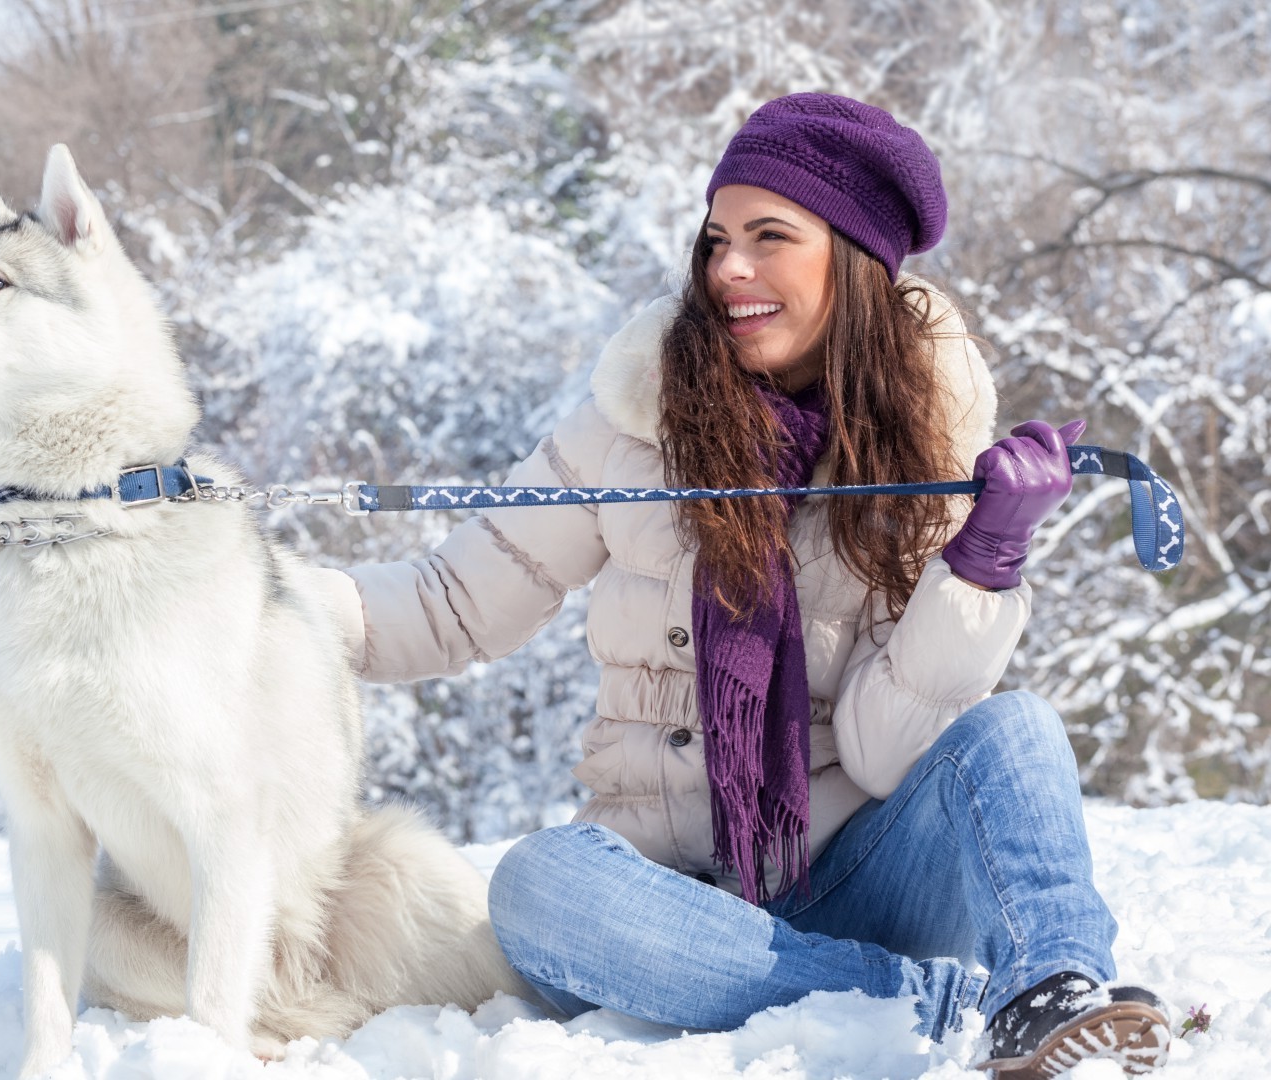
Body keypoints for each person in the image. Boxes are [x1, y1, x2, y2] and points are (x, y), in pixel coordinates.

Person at [308, 92, 1171, 1077]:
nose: (730, 270)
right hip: (668, 898)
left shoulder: (924, 445)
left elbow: (887, 757)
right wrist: (269, 603)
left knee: (1016, 734)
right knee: (538, 884)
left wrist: (981, 564)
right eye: (717, 239)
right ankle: (913, 1001)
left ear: (854, 263)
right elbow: (450, 606)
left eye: (771, 237)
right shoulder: (632, 419)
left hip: (859, 872)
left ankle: (1056, 991)